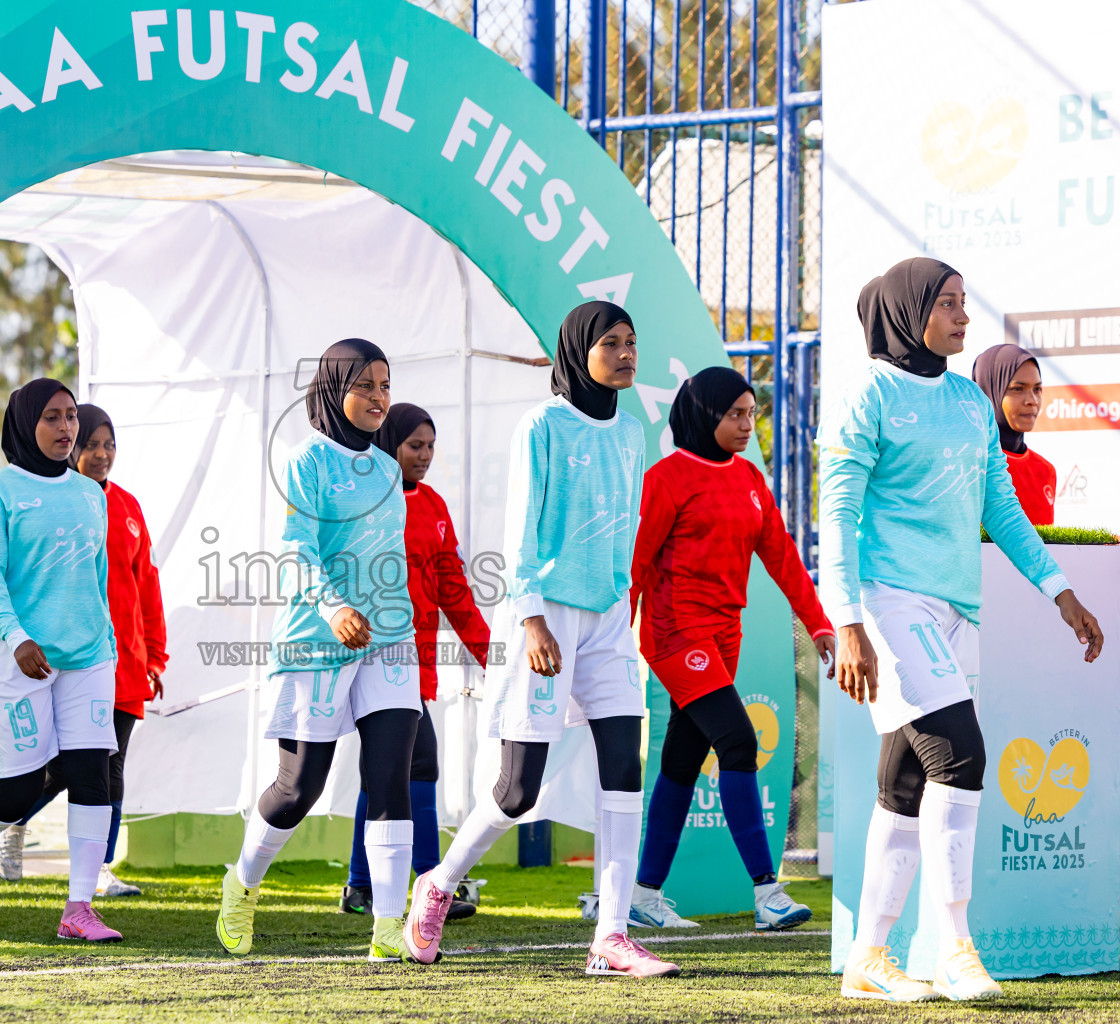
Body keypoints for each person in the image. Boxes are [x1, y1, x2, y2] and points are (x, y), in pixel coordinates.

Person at [820, 258, 1103, 1002]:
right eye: (948, 304)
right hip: (890, 603)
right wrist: (846, 622)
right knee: (962, 757)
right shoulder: (869, 394)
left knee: (905, 781)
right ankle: (953, 946)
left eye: (964, 303)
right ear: (909, 311)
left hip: (958, 611)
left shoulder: (969, 403)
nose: (963, 317)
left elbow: (1001, 508)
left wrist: (1060, 592)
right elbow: (837, 515)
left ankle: (867, 958)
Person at [402, 301, 679, 979]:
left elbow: (626, 528)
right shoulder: (542, 426)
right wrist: (530, 619)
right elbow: (520, 529)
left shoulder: (632, 432)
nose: (626, 353)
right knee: (518, 790)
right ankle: (439, 883)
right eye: (611, 343)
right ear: (578, 351)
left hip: (608, 618)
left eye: (632, 341)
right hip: (545, 614)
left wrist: (623, 606)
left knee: (624, 766)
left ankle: (611, 936)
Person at [215, 339, 424, 963]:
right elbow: (295, 550)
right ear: (334, 389)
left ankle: (389, 925)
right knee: (298, 787)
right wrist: (334, 609)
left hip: (390, 640)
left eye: (385, 385)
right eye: (365, 385)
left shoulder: (387, 468)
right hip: (317, 638)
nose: (379, 397)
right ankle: (242, 883)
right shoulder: (306, 460)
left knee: (391, 777)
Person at [627, 367, 834, 933]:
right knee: (739, 742)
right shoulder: (666, 478)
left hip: (724, 637)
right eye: (735, 414)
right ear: (704, 414)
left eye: (751, 413)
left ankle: (643, 894)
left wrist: (818, 624)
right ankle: (768, 893)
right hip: (676, 634)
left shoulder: (748, 478)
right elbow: (635, 564)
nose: (747, 424)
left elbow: (782, 554)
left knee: (682, 760)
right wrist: (617, 640)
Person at [0, 379, 124, 942]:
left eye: (71, 416)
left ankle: (78, 909)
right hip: (15, 654)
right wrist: (17, 638)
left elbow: (97, 578)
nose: (66, 427)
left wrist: (108, 646)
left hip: (87, 656)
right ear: (24, 424)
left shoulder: (91, 494)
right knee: (19, 788)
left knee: (92, 774)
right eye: (52, 417)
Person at [0, 405, 168, 898]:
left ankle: (100, 868)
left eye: (109, 445)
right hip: (69, 657)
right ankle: (11, 822)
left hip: (125, 660)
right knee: (65, 767)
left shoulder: (128, 507)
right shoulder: (55, 501)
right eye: (92, 444)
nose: (101, 454)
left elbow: (147, 584)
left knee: (111, 765)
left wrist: (155, 655)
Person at [338, 404, 489, 921]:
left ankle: (369, 886)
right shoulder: (366, 501)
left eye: (430, 447)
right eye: (414, 446)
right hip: (369, 656)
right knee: (409, 763)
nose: (425, 456)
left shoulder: (434, 505)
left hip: (417, 661)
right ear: (390, 445)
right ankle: (426, 883)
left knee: (395, 769)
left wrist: (490, 654)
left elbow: (454, 590)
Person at [972, 344, 1055, 526]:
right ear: (989, 391)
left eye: (1037, 389)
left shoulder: (1045, 470)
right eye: (1018, 389)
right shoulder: (968, 464)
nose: (1032, 401)